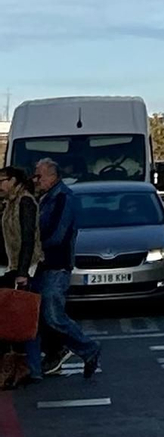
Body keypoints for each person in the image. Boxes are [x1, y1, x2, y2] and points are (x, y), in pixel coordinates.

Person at [31, 159, 99, 379]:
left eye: (39, 175)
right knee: (42, 315)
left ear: (53, 176)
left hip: (56, 264)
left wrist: (35, 247)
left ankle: (87, 348)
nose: (35, 179)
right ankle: (55, 352)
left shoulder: (63, 198)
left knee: (53, 315)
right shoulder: (45, 197)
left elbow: (58, 234)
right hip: (42, 265)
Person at [0, 165, 45, 385]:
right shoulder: (9, 203)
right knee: (17, 317)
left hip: (27, 267)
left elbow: (28, 238)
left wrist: (23, 272)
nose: (0, 185)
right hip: (13, 265)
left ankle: (29, 367)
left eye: (2, 181)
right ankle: (26, 366)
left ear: (14, 181)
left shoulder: (25, 202)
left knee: (24, 318)